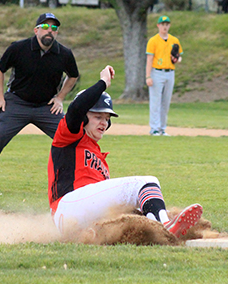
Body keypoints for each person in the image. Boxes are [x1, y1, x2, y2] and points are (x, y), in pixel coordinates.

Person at [48, 65, 202, 239]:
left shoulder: (99, 158)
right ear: (83, 117)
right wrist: (103, 82)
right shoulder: (68, 136)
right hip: (68, 207)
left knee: (134, 216)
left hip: (79, 220)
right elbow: (76, 108)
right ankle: (166, 229)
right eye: (98, 117)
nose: (104, 123)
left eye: (107, 119)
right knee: (146, 183)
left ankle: (159, 227)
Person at [0, 13, 79, 192]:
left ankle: (77, 183)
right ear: (36, 30)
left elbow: (73, 75)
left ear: (57, 33)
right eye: (45, 27)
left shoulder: (64, 54)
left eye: (54, 28)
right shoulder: (18, 48)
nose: (49, 31)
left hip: (46, 106)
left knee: (71, 137)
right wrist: (0, 98)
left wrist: (59, 98)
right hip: (17, 103)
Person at [146, 15, 183, 136]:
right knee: (155, 102)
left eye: (167, 24)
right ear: (158, 26)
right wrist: (148, 76)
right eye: (162, 25)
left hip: (170, 72)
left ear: (169, 26)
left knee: (165, 102)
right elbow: (149, 59)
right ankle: (154, 128)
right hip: (157, 72)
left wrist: (176, 59)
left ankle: (162, 128)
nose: (164, 27)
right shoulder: (153, 40)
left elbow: (178, 57)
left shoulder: (174, 40)